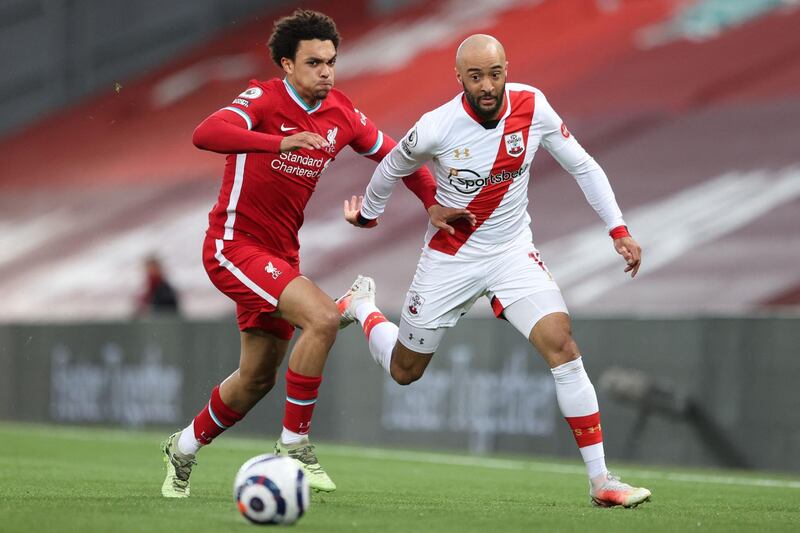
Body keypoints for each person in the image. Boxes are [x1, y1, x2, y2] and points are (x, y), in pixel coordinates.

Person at [160, 9, 464, 498]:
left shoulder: (341, 113)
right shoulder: (262, 99)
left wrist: (432, 203)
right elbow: (206, 134)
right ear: (286, 64)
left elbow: (399, 156)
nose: (326, 71)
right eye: (314, 63)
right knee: (321, 318)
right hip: (234, 245)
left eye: (331, 61)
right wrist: (274, 141)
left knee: (257, 378)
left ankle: (184, 448)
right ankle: (294, 442)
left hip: (281, 255)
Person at [337, 34, 651, 507]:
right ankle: (362, 307)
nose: (488, 85)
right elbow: (392, 166)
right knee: (405, 372)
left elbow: (583, 166)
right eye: (476, 76)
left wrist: (618, 229)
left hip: (511, 253)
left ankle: (601, 481)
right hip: (451, 258)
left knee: (563, 346)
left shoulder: (533, 106)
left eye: (496, 73)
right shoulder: (436, 127)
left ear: (507, 68)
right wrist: (370, 213)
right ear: (459, 78)